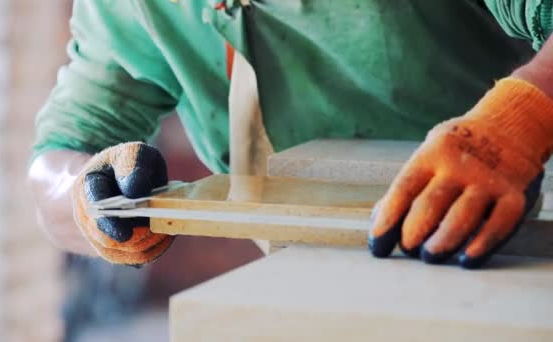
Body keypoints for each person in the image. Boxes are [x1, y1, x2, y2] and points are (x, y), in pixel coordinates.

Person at [28, 0, 553, 269]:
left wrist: (523, 115)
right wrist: (85, 197)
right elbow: (55, 160)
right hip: (310, 282)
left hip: (518, 248)